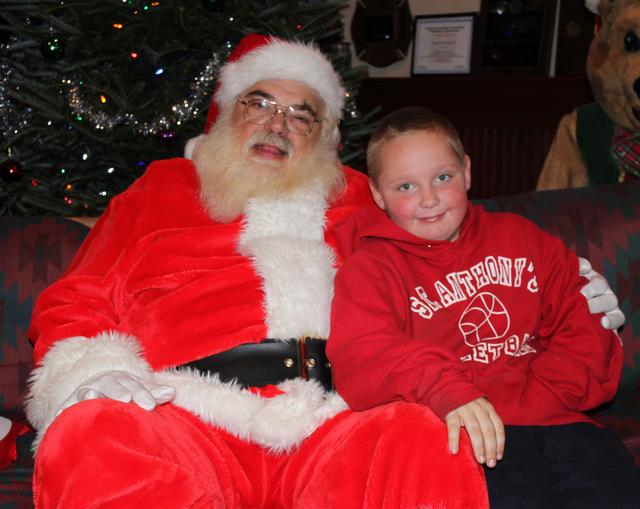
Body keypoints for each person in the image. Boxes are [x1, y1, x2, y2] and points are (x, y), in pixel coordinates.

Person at [24, 35, 622, 508]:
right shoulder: (157, 189)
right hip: (184, 409)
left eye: (300, 114)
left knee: (420, 438)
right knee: (90, 439)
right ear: (225, 113)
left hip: (336, 418)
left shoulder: (365, 194)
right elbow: (78, 297)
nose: (277, 124)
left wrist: (562, 285)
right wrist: (92, 373)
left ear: (325, 136)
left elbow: (461, 246)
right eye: (259, 103)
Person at [327, 107, 640, 509]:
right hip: (457, 436)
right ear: (377, 195)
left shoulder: (519, 236)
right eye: (405, 187)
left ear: (467, 172)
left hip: (559, 420)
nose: (428, 199)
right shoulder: (371, 268)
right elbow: (364, 352)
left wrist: (540, 398)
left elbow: (581, 315)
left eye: (443, 178)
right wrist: (447, 389)